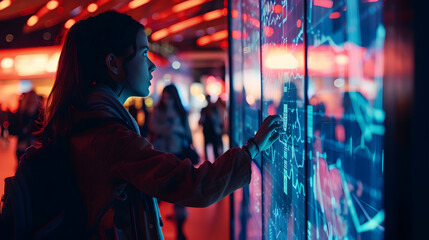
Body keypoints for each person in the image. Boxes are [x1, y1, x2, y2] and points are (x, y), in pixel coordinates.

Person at [39, 11, 282, 240]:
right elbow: (194, 184)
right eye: (143, 54)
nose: (152, 66)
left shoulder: (81, 121)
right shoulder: (113, 138)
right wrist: (252, 148)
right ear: (113, 64)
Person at [148, 84, 194, 240]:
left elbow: (186, 132)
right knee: (158, 191)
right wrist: (172, 128)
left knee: (180, 193)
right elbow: (154, 127)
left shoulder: (181, 112)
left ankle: (180, 230)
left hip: (178, 153)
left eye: (169, 96)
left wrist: (172, 129)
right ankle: (151, 223)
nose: (166, 99)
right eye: (165, 96)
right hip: (161, 154)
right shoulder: (158, 110)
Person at [8, 90, 43, 161]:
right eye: (30, 100)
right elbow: (12, 130)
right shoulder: (20, 115)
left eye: (33, 99)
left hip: (35, 147)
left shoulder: (40, 114)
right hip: (23, 147)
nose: (32, 101)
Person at [199, 94, 224, 161]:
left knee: (215, 149)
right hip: (208, 131)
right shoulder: (205, 109)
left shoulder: (214, 108)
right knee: (208, 148)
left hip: (213, 131)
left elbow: (218, 119)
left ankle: (216, 163)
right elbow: (200, 121)